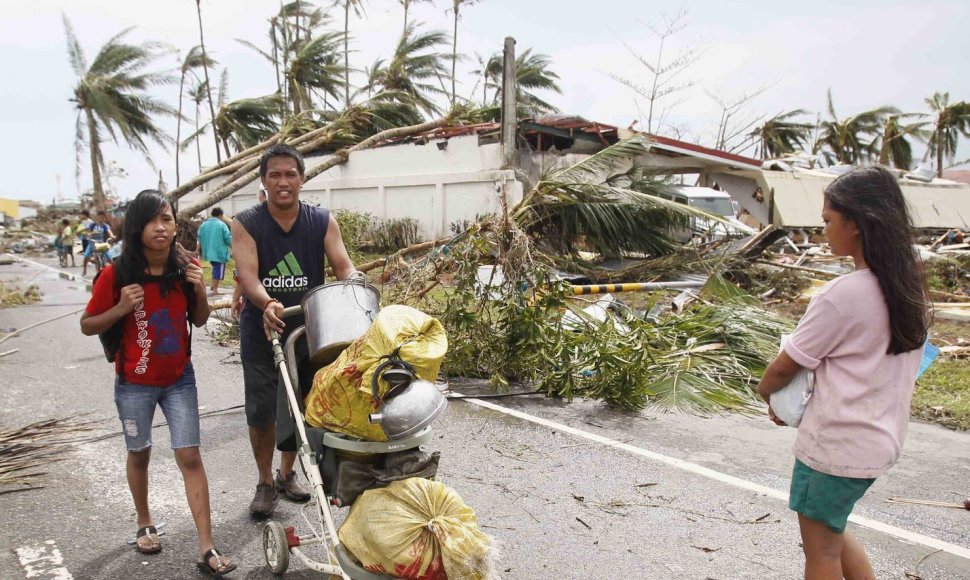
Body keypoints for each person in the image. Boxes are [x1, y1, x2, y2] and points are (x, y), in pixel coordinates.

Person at [757, 166, 930, 580]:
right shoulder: (910, 291)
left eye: (828, 221)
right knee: (831, 529)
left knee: (821, 554)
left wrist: (767, 394)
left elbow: (787, 365)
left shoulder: (843, 294)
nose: (823, 232)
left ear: (856, 224)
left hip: (836, 445)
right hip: (877, 442)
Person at [80, 190, 236, 577]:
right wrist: (119, 308)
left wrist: (199, 289)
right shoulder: (116, 273)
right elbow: (87, 324)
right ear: (137, 228)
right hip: (133, 382)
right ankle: (144, 522)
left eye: (167, 219)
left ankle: (206, 546)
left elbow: (198, 320)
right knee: (140, 452)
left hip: (179, 379)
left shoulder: (185, 268)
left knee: (190, 456)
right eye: (153, 220)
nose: (161, 227)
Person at [232, 145, 358, 518]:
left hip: (308, 334)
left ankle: (287, 475)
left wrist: (354, 281)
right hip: (262, 333)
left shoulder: (322, 220)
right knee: (261, 413)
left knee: (298, 406)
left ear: (302, 179)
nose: (283, 182)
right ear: (264, 181)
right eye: (275, 175)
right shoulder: (246, 223)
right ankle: (264, 482)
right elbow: (249, 277)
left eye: (290, 174)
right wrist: (265, 302)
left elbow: (343, 266)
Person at [231, 188, 267, 319]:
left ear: (262, 194)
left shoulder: (251, 222)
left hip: (257, 310)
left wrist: (235, 298)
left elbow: (244, 274)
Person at [198, 207, 232, 295]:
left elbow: (199, 237)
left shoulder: (203, 225)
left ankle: (213, 286)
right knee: (218, 269)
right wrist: (233, 247)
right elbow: (228, 238)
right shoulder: (221, 225)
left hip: (208, 252)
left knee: (215, 268)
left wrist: (198, 250)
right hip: (219, 252)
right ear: (221, 215)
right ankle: (215, 290)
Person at [83, 210, 113, 277]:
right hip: (93, 243)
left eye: (103, 218)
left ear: (104, 218)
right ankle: (84, 269)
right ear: (97, 217)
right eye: (100, 217)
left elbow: (109, 232)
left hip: (101, 244)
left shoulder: (105, 226)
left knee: (110, 257)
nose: (101, 219)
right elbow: (88, 233)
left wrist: (112, 236)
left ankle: (114, 271)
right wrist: (90, 235)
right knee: (86, 255)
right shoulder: (92, 225)